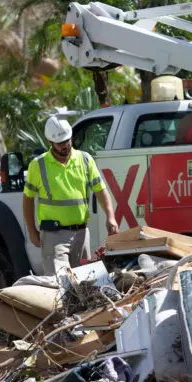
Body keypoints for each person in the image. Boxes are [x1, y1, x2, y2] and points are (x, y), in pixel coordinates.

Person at [22, 116, 119, 275]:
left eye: (67, 140)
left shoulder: (85, 160)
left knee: (85, 285)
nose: (65, 145)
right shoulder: (38, 165)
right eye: (60, 143)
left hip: (81, 234)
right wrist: (32, 231)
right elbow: (27, 198)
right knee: (60, 286)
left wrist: (110, 216)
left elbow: (100, 190)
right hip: (53, 237)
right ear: (50, 143)